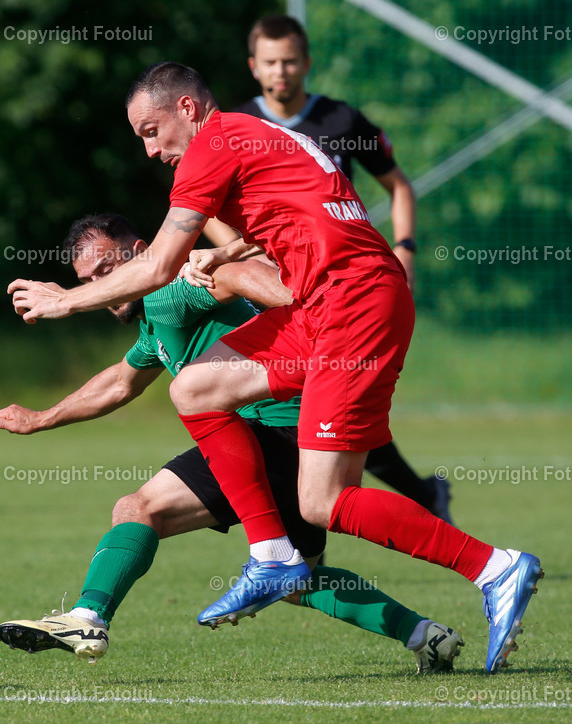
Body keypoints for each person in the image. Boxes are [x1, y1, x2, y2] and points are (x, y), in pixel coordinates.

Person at [7, 62, 541, 673]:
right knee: (197, 388)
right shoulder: (248, 135)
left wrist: (63, 299)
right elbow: (298, 214)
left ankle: (494, 567)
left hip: (351, 301)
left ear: (187, 107)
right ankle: (274, 557)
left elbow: (157, 267)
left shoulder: (211, 146)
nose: (151, 150)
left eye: (151, 131)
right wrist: (228, 248)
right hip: (332, 300)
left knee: (326, 502)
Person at [0, 214, 464, 673]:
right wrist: (40, 419)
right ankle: (426, 636)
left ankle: (87, 618)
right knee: (300, 580)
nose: (100, 284)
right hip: (293, 436)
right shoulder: (156, 320)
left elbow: (237, 274)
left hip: (268, 433)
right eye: (87, 278)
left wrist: (301, 306)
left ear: (139, 253)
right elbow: (120, 382)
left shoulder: (175, 292)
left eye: (106, 271)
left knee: (139, 509)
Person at [207, 13, 448, 522]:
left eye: (291, 61)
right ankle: (295, 534)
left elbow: (399, 185)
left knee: (331, 403)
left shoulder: (341, 121)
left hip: (339, 283)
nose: (282, 72)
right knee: (319, 403)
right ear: (254, 67)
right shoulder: (237, 127)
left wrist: (405, 247)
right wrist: (237, 254)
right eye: (271, 62)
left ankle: (288, 543)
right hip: (274, 282)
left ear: (307, 63)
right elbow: (205, 207)